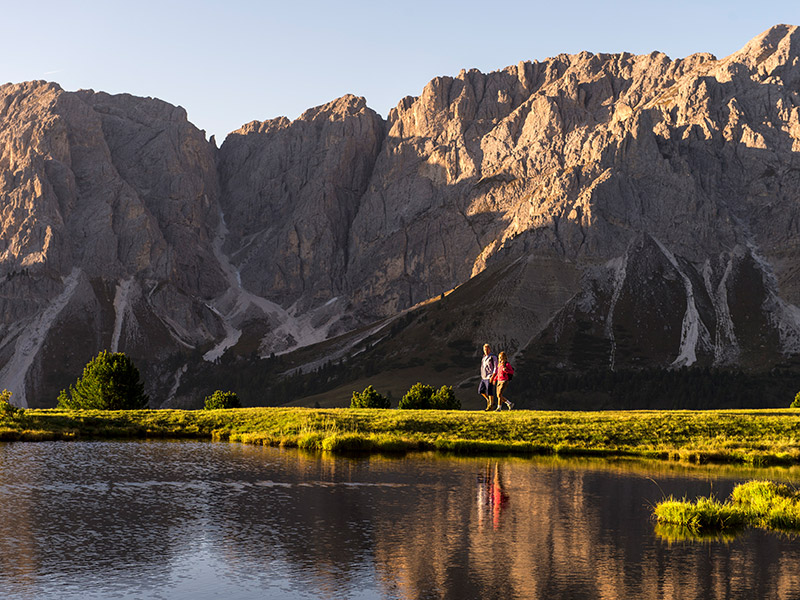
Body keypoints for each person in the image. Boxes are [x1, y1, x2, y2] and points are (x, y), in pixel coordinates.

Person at [478, 344, 497, 411]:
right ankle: (489, 401)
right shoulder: (483, 357)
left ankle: (490, 406)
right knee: (481, 390)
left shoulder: (493, 357)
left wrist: (493, 376)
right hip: (483, 377)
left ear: (490, 349)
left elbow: (495, 367)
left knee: (489, 391)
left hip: (489, 376)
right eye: (485, 349)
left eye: (487, 349)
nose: (486, 351)